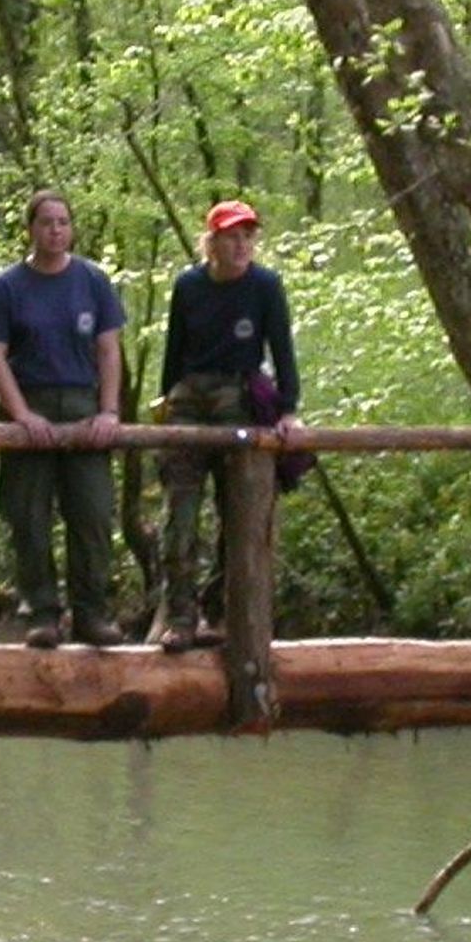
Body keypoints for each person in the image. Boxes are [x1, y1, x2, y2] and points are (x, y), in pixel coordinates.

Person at [0, 187, 128, 647]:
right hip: (29, 403)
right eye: (47, 223)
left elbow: (108, 349)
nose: (56, 231)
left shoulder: (93, 282)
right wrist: (21, 414)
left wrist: (109, 411)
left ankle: (91, 613)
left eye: (63, 222)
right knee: (28, 517)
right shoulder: (6, 287)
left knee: (93, 515)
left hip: (83, 406)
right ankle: (42, 612)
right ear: (31, 229)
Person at [153, 198, 305, 649]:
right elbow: (174, 352)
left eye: (247, 237)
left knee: (239, 514)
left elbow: (282, 351)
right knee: (179, 520)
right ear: (212, 242)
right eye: (232, 237)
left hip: (239, 399)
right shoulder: (189, 286)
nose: (241, 246)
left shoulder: (266, 286)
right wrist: (165, 405)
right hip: (190, 399)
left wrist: (289, 409)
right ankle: (180, 617)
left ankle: (222, 614)